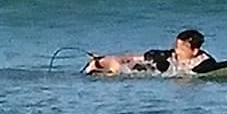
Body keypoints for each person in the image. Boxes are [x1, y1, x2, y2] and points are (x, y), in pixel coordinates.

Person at [84, 28, 216, 75]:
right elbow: (136, 57)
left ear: (195, 50)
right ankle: (99, 64)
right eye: (176, 46)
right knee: (117, 63)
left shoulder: (205, 63)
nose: (176, 50)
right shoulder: (169, 56)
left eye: (181, 48)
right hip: (146, 71)